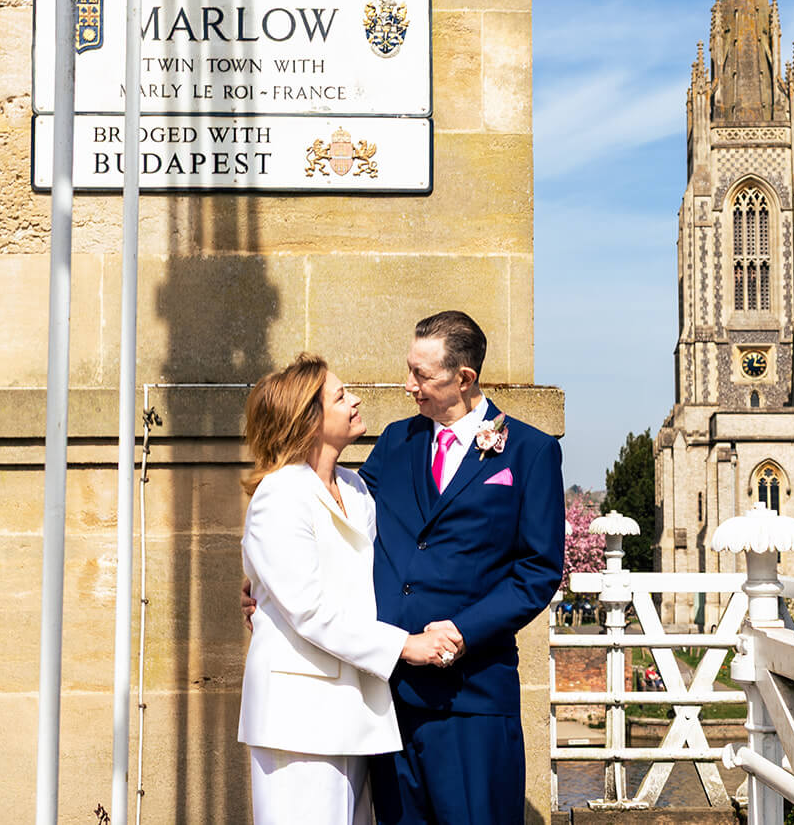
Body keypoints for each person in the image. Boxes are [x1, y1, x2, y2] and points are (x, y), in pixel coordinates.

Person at [238, 353, 463, 825]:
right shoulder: (278, 496)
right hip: (297, 718)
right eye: (341, 396)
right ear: (309, 419)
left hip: (353, 710)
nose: (356, 400)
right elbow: (310, 611)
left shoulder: (357, 488)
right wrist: (407, 646)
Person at [359, 310, 566, 823]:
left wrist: (462, 630)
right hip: (387, 694)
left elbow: (538, 570)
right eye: (410, 369)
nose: (409, 385)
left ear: (464, 378)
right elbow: (346, 522)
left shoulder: (531, 453)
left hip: (470, 696)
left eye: (422, 375)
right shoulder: (394, 441)